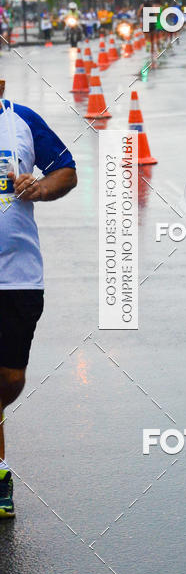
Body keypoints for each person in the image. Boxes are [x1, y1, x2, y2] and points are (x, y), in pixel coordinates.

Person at [0, 80, 77, 518]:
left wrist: (41, 188)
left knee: (10, 380)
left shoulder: (22, 120)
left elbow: (66, 169)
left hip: (18, 277)